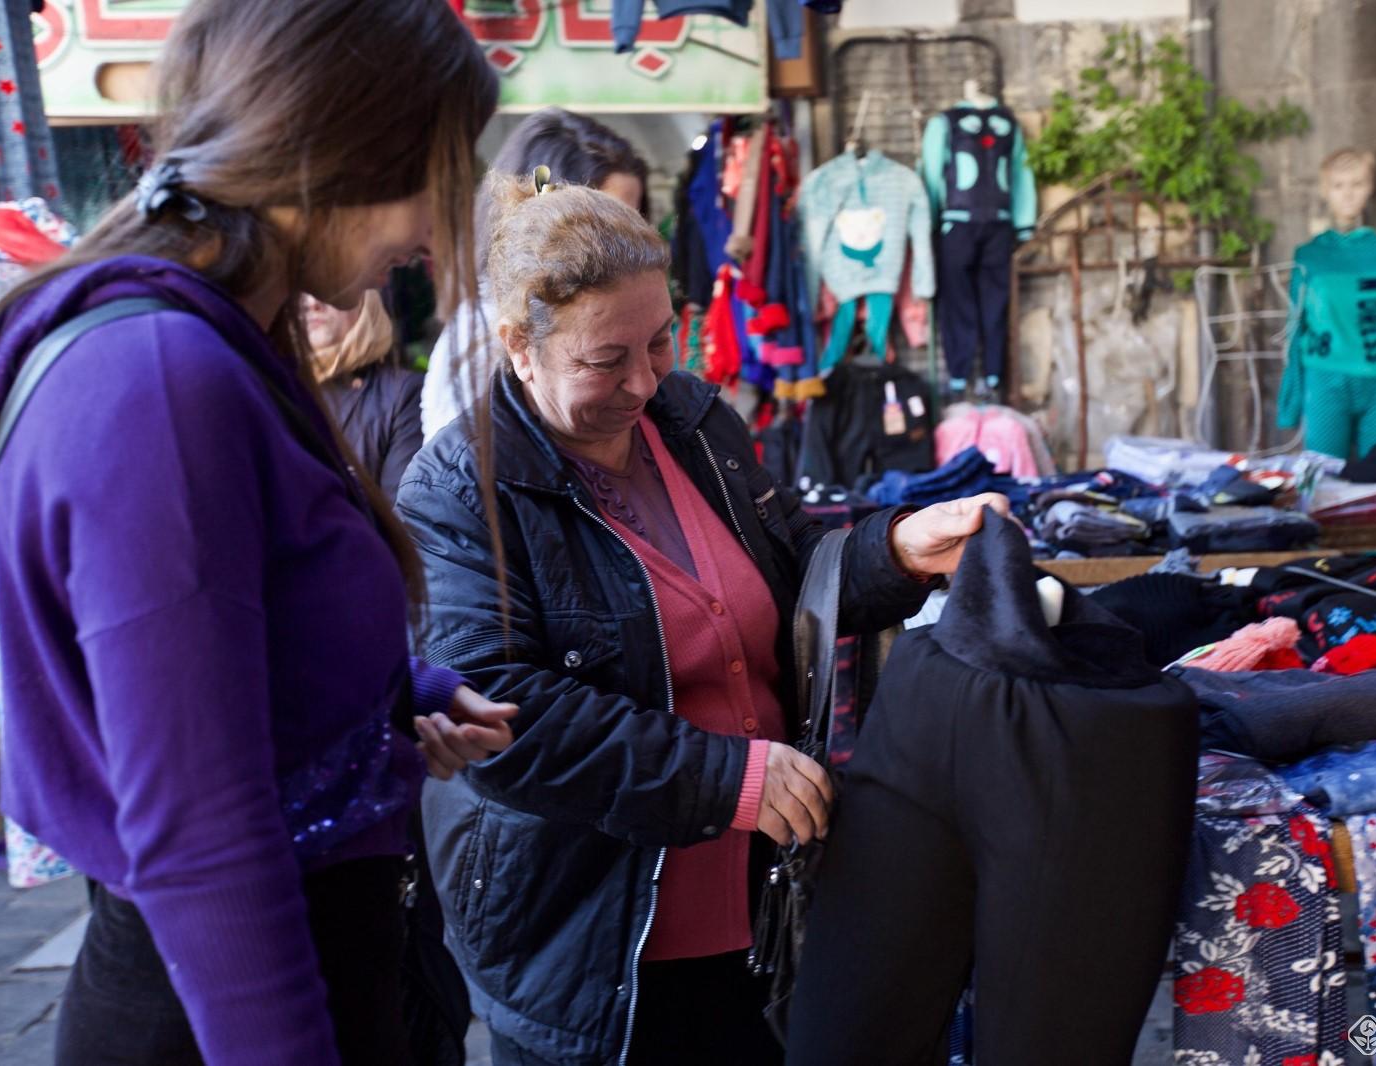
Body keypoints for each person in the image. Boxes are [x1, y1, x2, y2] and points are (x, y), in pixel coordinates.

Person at [0, 3, 514, 1065]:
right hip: (227, 1009)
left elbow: (222, 652)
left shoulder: (212, 349)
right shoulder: (162, 381)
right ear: (341, 158)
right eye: (435, 179)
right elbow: (197, 834)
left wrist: (399, 693)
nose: (437, 234)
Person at [397, 174, 1008, 1066]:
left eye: (661, 342)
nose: (644, 380)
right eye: (607, 360)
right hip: (589, 937)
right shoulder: (459, 491)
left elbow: (791, 561)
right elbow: (499, 714)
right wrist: (726, 781)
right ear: (516, 348)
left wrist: (896, 551)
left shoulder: (691, 420)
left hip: (754, 909)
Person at [420, 107, 650, 441]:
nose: (624, 242)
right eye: (603, 223)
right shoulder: (488, 329)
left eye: (631, 222)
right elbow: (460, 471)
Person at [307, 291, 424, 503]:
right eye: (301, 290)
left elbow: (402, 515)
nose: (313, 303)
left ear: (366, 302)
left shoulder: (401, 393)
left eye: (329, 286)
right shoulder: (271, 382)